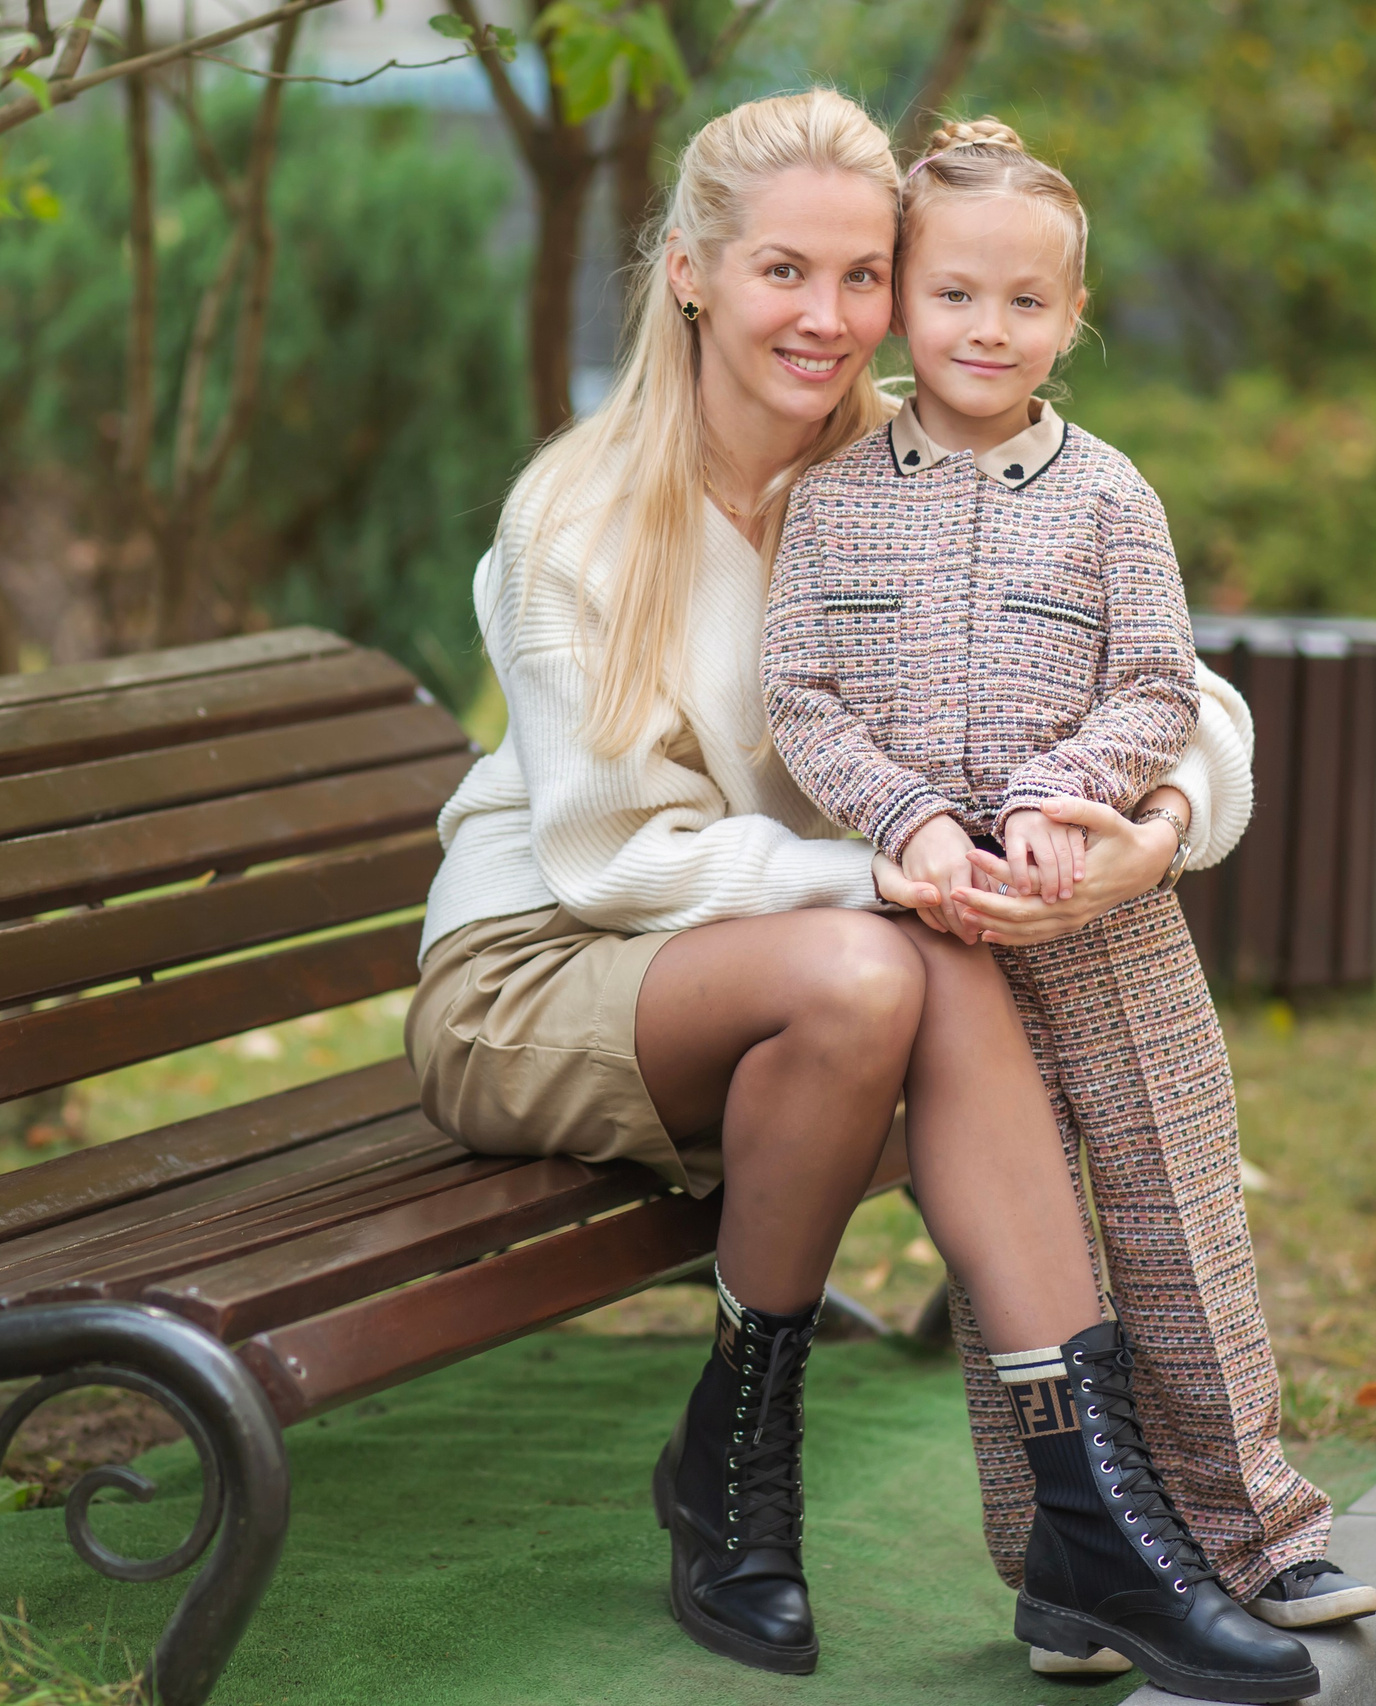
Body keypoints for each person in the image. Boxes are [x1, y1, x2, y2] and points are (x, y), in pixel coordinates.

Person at [402, 89, 1281, 1688]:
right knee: (887, 960)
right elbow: (609, 856)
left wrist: (1146, 825)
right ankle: (756, 1464)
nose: (829, 317)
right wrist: (890, 860)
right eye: (782, 273)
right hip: (551, 966)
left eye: (864, 275)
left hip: (815, 960)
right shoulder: (583, 519)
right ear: (689, 271)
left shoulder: (913, 462)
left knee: (896, 962)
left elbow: (1177, 686)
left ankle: (1090, 1515)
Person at [762, 116, 1376, 1696]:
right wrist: (904, 817)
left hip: (1106, 929)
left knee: (1176, 1223)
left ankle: (1259, 1532)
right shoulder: (835, 499)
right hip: (950, 947)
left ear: (1074, 312)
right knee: (1012, 1271)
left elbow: (1161, 681)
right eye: (956, 296)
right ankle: (1057, 1574)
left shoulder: (1110, 496)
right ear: (905, 303)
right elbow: (803, 695)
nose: (988, 331)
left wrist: (1069, 794)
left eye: (1026, 304)